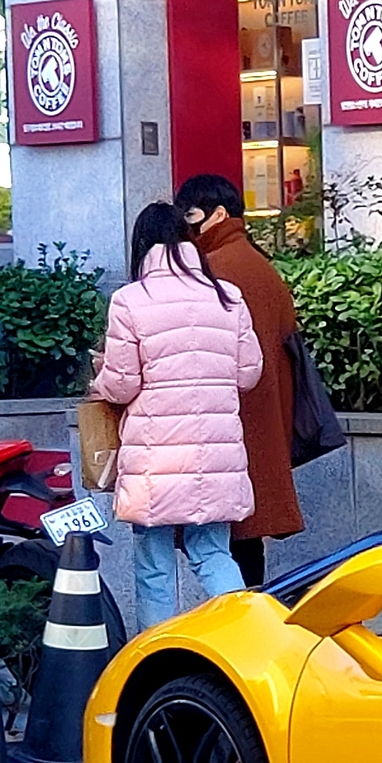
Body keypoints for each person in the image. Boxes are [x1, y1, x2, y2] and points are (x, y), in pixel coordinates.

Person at [93, 203, 265, 632]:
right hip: (216, 456)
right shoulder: (226, 296)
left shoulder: (130, 300)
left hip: (157, 460)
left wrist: (101, 374)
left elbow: (121, 386)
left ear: (141, 245)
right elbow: (248, 374)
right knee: (213, 554)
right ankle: (249, 637)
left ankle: (157, 657)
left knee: (153, 566)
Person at [175, 172, 301, 588]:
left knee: (224, 542)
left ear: (219, 215)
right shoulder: (258, 264)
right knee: (248, 536)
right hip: (259, 419)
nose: (185, 227)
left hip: (226, 421)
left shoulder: (213, 269)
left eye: (191, 216)